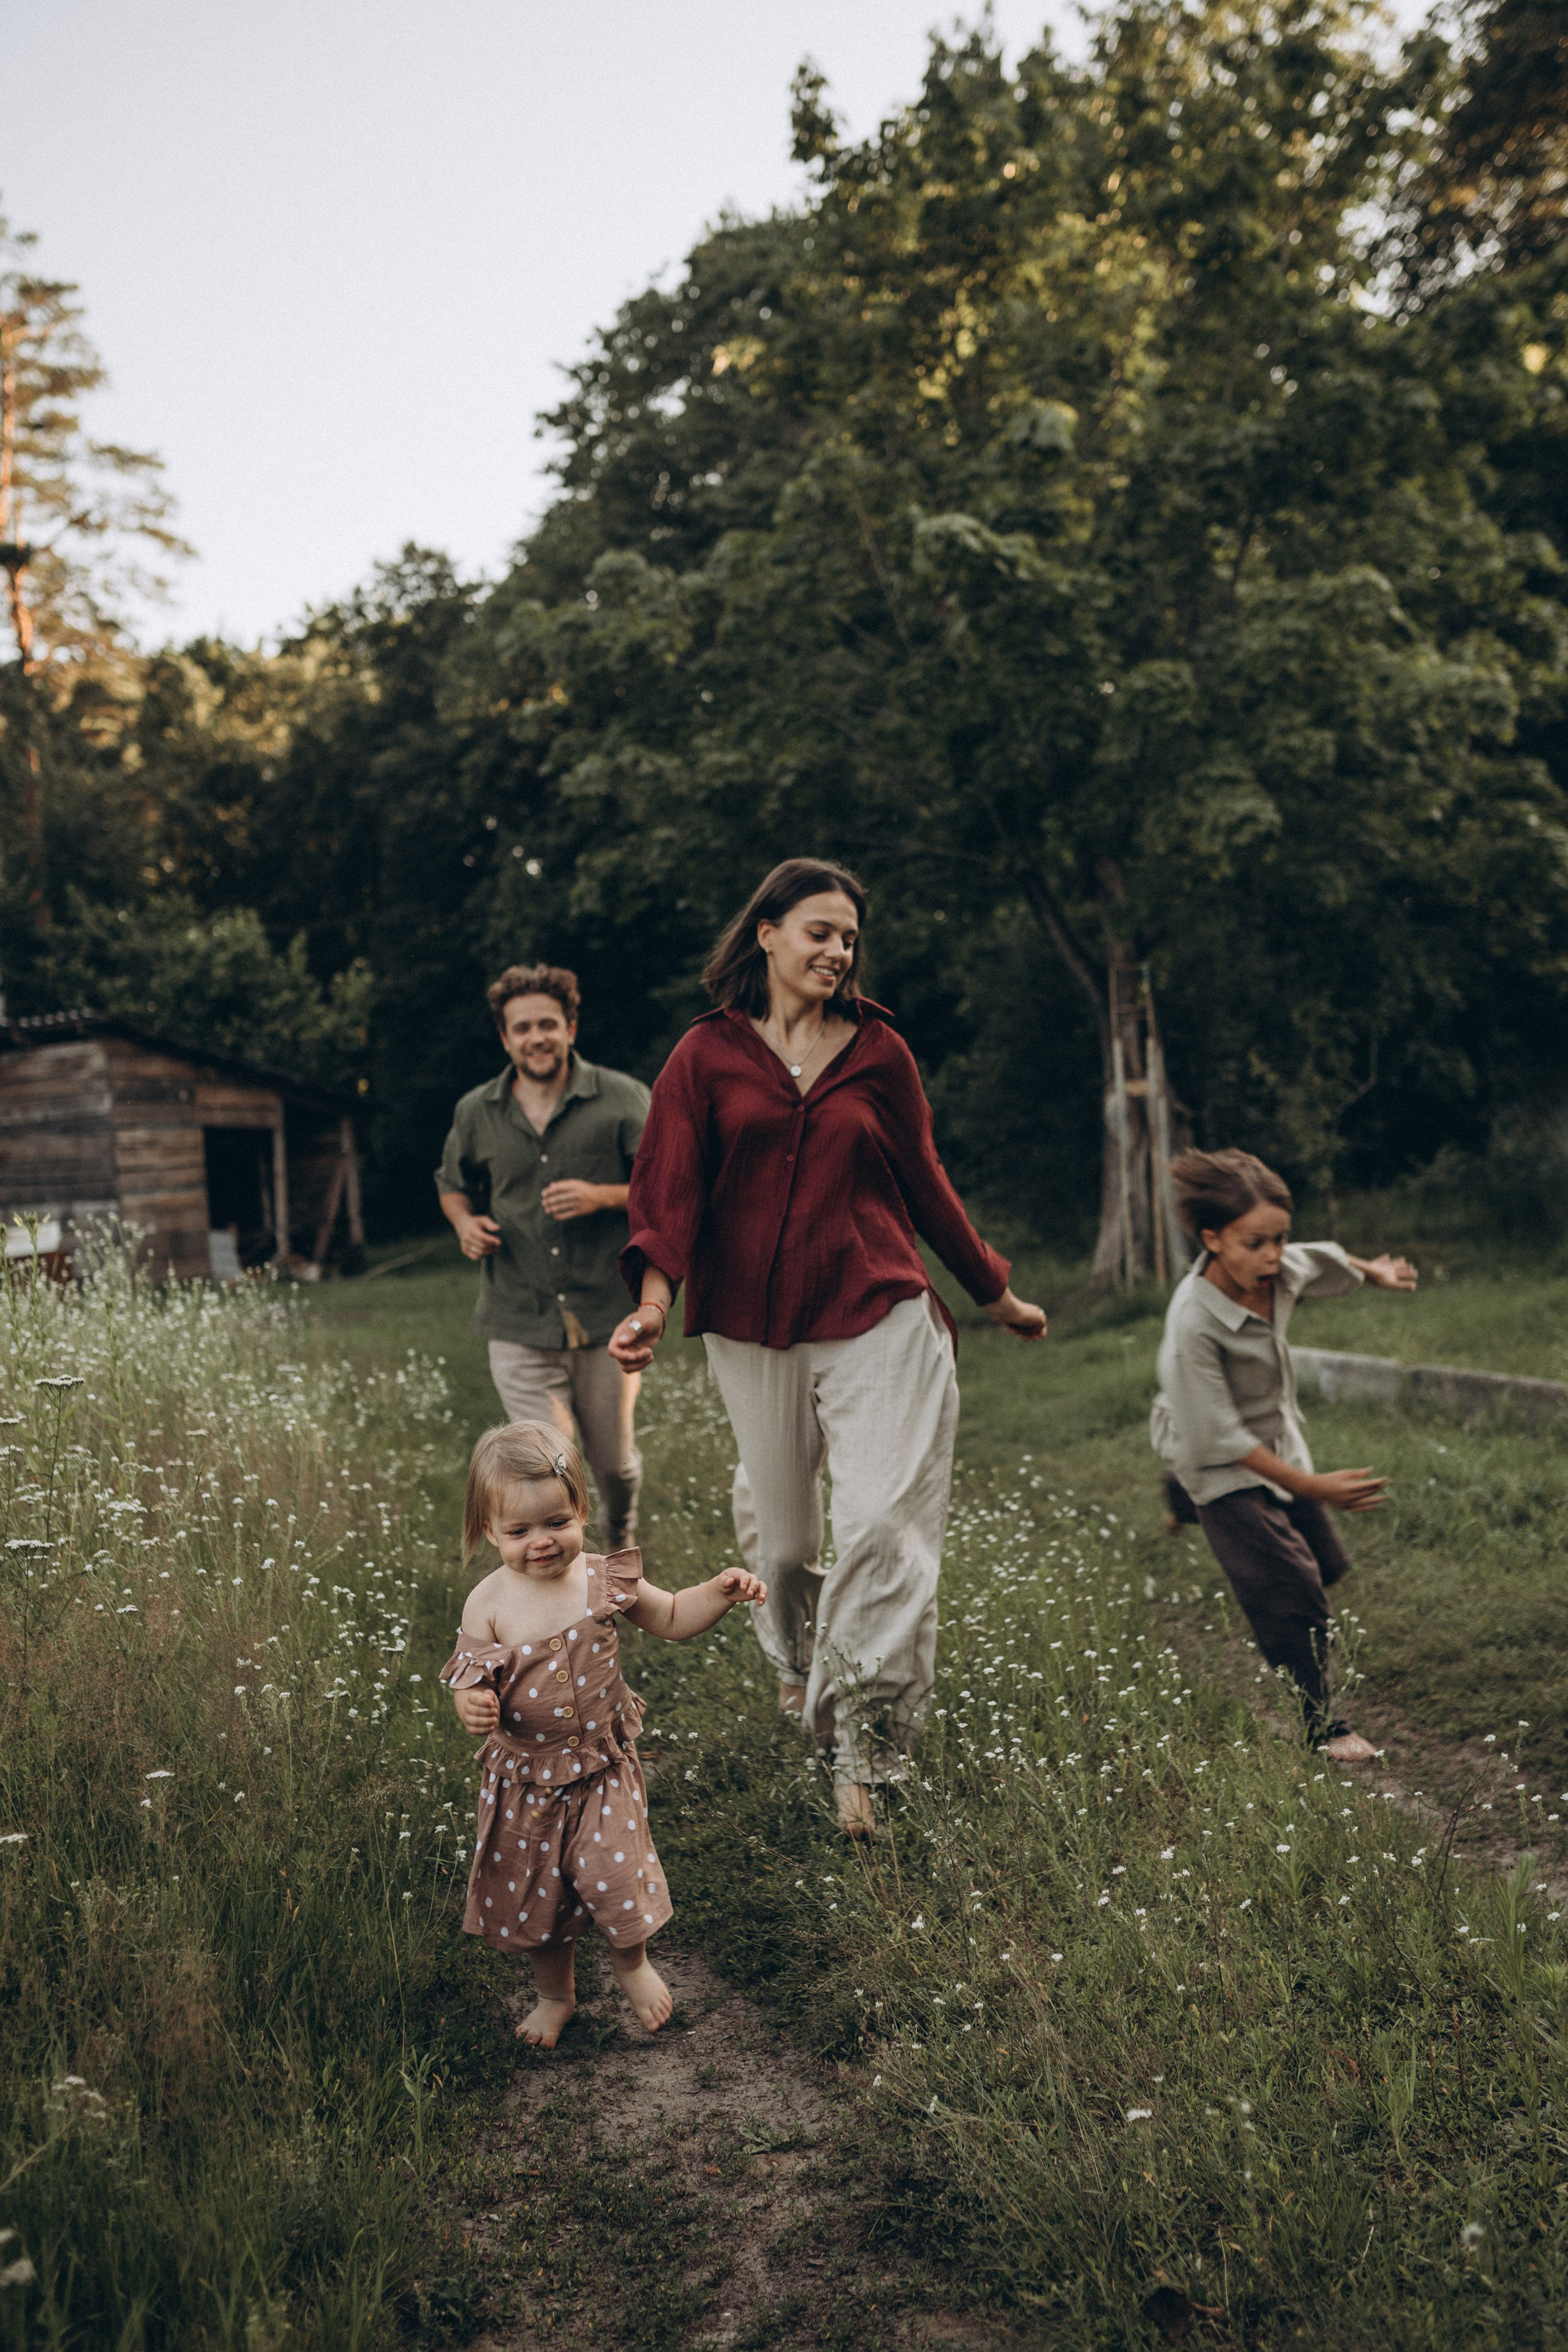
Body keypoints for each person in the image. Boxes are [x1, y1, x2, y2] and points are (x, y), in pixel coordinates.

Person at [606, 857, 1047, 1836]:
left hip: (878, 1304)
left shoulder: (879, 1050)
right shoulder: (705, 1056)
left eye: (849, 937)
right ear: (766, 934)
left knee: (886, 1524)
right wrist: (649, 1302)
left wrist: (996, 1293)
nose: (837, 951)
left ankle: (864, 1750)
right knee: (791, 1541)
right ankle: (795, 1658)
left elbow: (926, 1179)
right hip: (751, 1324)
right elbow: (668, 1187)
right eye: (819, 931)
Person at [440, 1420, 766, 2046]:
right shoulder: (488, 1602)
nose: (541, 1542)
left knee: (615, 1875)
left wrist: (718, 1593)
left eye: (557, 1522)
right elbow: (470, 1676)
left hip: (601, 1770)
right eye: (519, 1531)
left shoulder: (601, 1578)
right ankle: (554, 1996)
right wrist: (471, 1702)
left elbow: (671, 1615)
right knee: (538, 1894)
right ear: (489, 1532)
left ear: (581, 1511)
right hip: (527, 1781)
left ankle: (632, 1965)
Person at [1150, 1147, 1417, 1760]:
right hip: (1216, 1458)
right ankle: (1322, 1726)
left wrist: (1371, 1271)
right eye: (1254, 1244)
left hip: (1271, 1438)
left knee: (1325, 1566)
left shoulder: (1276, 1268)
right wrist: (1315, 1485)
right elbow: (1219, 1436)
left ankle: (1177, 1500)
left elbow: (1320, 1258)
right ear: (1212, 1239)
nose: (1271, 1255)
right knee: (1290, 1587)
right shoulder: (1192, 1325)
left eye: (1278, 1239)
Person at [437, 963, 650, 1551]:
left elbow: (673, 1188)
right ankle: (569, 1596)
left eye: (548, 1025)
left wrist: (603, 1196)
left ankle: (621, 1529)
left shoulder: (622, 1098)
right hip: (517, 1317)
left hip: (606, 1316)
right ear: (506, 1039)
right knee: (550, 1466)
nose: (537, 1037)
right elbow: (451, 1183)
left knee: (613, 1466)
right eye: (523, 1028)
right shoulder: (476, 1111)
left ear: (571, 1029)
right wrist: (464, 1223)